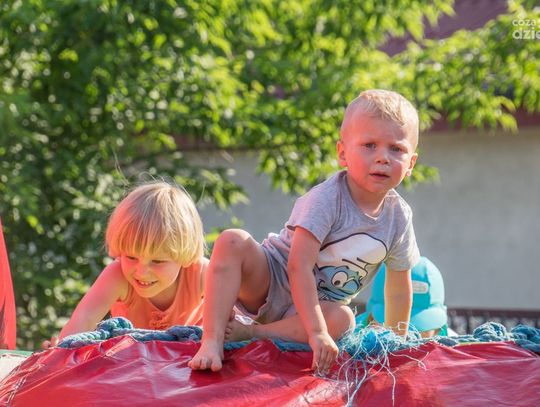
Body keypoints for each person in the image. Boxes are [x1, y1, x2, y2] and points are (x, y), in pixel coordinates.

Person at [189, 89, 420, 373]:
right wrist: (317, 333)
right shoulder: (327, 199)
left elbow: (398, 287)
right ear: (343, 153)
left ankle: (251, 332)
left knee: (344, 319)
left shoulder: (399, 217)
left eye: (396, 149)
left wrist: (396, 342)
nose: (383, 157)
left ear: (411, 163)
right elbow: (298, 266)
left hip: (314, 308)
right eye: (369, 145)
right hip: (273, 278)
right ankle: (211, 341)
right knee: (232, 240)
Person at [42, 180, 208, 348]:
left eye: (157, 261)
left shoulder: (201, 274)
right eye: (131, 257)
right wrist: (61, 349)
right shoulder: (117, 275)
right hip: (130, 358)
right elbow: (85, 318)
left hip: (189, 357)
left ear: (185, 255)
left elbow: (227, 320)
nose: (141, 272)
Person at [356, 256, 455, 338]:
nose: (406, 336)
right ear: (370, 319)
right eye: (389, 327)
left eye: (420, 330)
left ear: (438, 330)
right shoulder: (349, 336)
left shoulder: (456, 348)